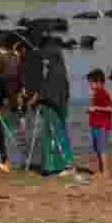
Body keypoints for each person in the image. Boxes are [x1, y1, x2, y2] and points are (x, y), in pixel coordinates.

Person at [21, 36, 76, 176]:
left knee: (53, 134)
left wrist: (35, 98)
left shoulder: (53, 62)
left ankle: (60, 165)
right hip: (57, 103)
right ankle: (57, 165)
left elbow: (45, 88)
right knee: (54, 133)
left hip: (52, 104)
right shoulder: (58, 66)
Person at [86, 68, 112, 177]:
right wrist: (91, 109)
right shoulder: (96, 93)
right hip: (95, 124)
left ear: (98, 82)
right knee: (97, 148)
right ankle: (101, 170)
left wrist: (95, 108)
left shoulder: (103, 93)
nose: (90, 85)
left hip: (102, 125)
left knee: (101, 148)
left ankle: (105, 171)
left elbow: (110, 108)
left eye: (91, 83)